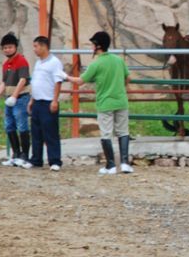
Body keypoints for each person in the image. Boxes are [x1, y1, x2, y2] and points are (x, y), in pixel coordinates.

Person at [65, 31, 133, 174]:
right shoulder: (118, 60)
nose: (91, 47)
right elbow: (128, 78)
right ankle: (125, 163)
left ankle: (111, 164)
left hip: (105, 103)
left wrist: (66, 77)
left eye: (93, 44)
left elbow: (80, 81)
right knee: (123, 132)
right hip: (121, 101)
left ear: (98, 46)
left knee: (106, 134)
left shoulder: (96, 64)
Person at [0, 32, 32, 168]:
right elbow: (4, 83)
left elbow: (23, 80)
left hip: (21, 98)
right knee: (9, 126)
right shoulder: (6, 64)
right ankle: (15, 154)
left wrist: (15, 96)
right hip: (9, 99)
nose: (7, 50)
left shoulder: (21, 61)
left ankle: (25, 156)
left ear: (16, 47)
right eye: (5, 48)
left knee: (22, 125)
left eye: (10, 47)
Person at [27, 36, 65, 171]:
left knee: (51, 133)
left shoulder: (54, 62)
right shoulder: (38, 63)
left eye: (36, 46)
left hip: (48, 101)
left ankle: (55, 160)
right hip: (37, 101)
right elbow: (36, 82)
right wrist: (31, 100)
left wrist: (55, 100)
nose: (34, 49)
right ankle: (36, 159)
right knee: (36, 132)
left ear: (43, 46)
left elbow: (57, 82)